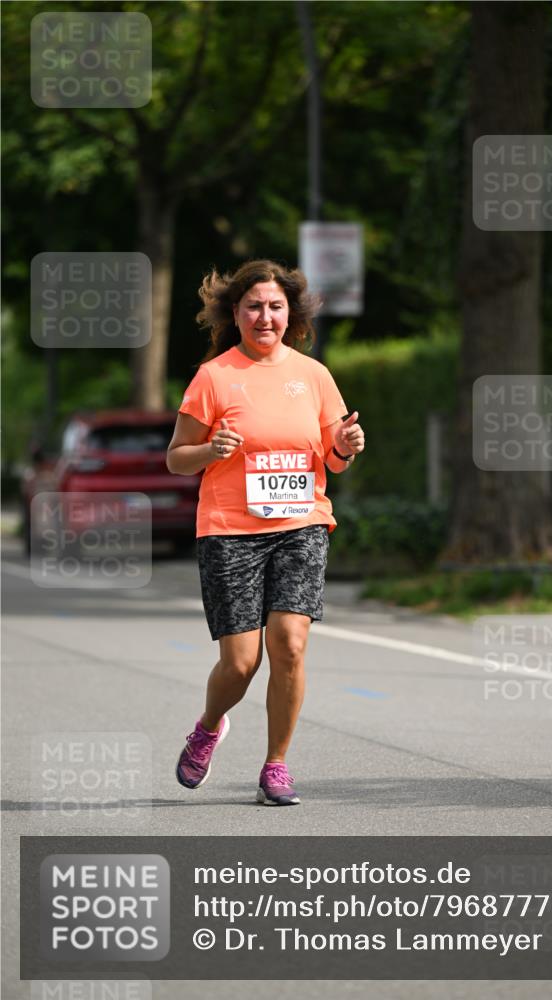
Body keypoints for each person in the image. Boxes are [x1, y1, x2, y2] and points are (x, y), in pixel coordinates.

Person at [166, 259, 365, 805]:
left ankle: (276, 765)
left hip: (301, 524)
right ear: (237, 312)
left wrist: (344, 448)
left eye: (276, 306)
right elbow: (177, 460)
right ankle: (209, 727)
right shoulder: (214, 377)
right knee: (240, 662)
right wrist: (211, 450)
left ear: (290, 315)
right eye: (254, 305)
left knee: (290, 644)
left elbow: (334, 455)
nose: (265, 316)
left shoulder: (314, 375)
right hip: (230, 531)